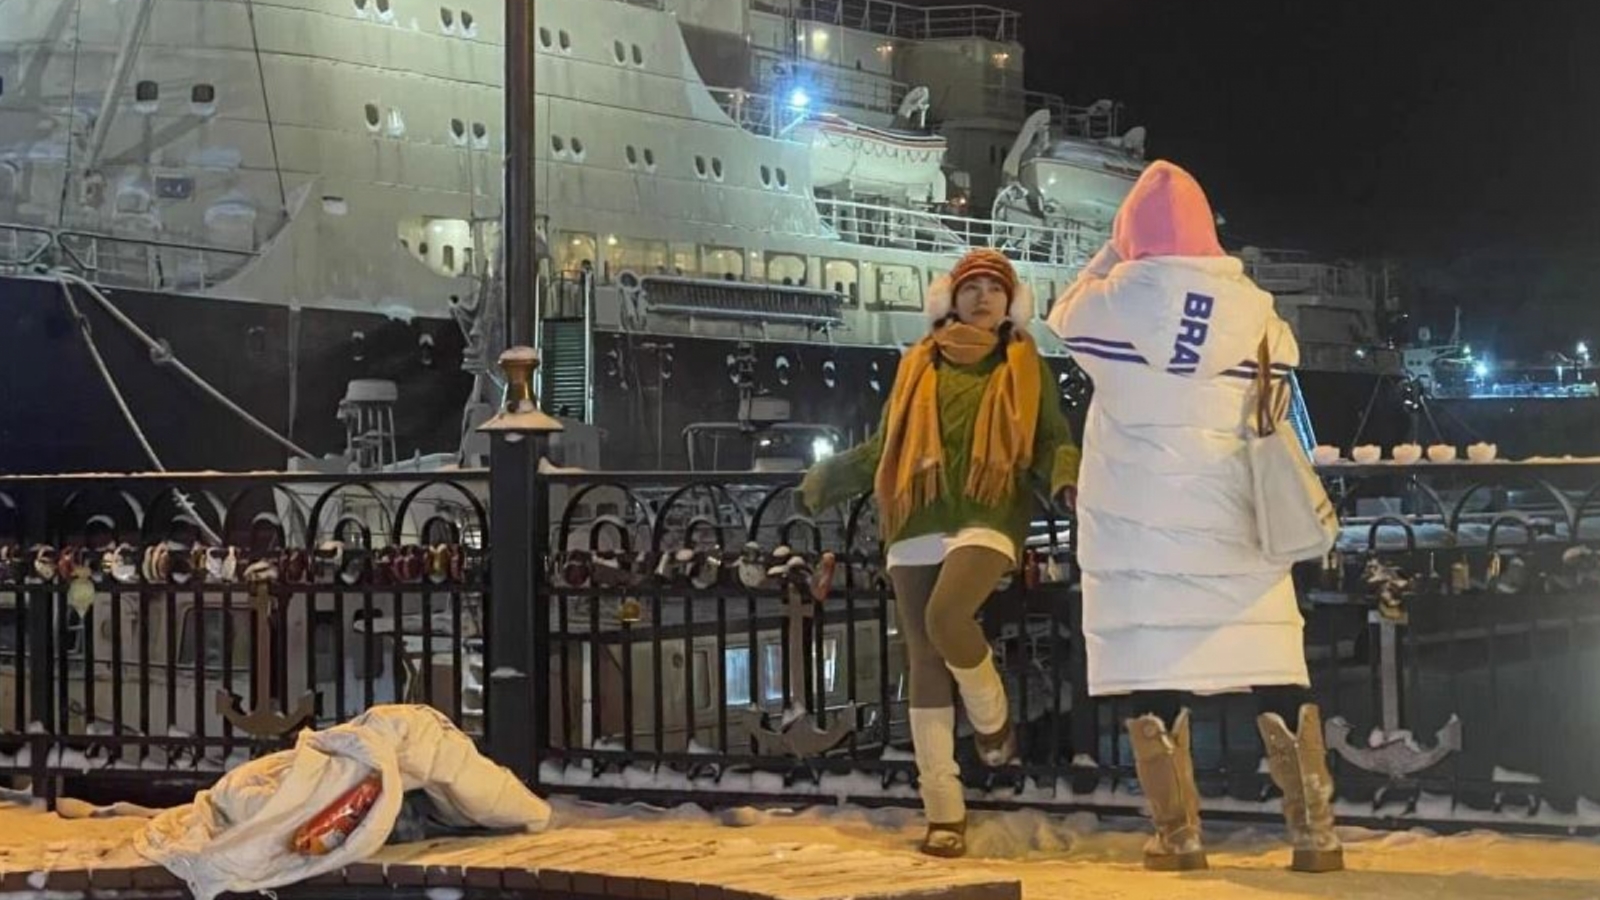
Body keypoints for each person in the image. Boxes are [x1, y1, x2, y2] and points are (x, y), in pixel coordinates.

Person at [1045, 160, 1343, 874]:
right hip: (1238, 522)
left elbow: (1063, 311)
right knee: (1272, 665)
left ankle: (1178, 837)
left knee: (1155, 667)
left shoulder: (1113, 307)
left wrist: (1114, 255)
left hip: (1143, 528)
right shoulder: (1256, 313)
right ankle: (1315, 834)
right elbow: (1282, 376)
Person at [800, 249, 1080, 859]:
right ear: (951, 299)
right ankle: (943, 809)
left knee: (946, 618)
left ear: (1011, 304)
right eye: (971, 287)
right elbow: (884, 447)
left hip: (988, 510)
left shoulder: (1024, 364)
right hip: (916, 513)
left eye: (995, 289)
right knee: (923, 656)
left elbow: (1049, 438)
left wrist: (1064, 477)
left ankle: (992, 720)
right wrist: (824, 480)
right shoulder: (918, 364)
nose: (982, 297)